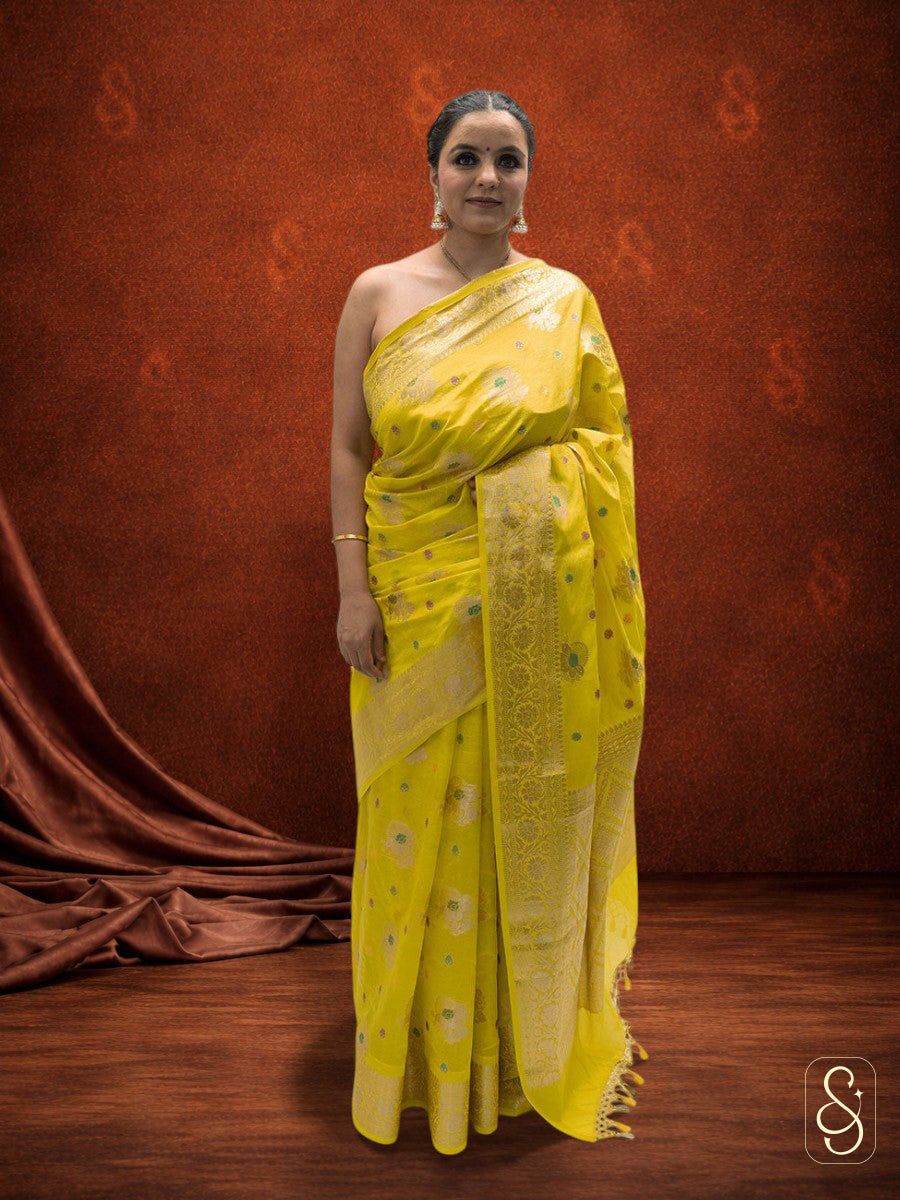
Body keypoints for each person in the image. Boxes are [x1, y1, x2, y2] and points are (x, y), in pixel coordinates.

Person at [330, 89, 648, 1156]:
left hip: (535, 604)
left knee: (517, 814)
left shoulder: (564, 302)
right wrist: (353, 588)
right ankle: (416, 1063)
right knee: (411, 822)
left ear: (527, 181)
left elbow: (606, 448)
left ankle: (516, 1056)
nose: (486, 179)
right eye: (466, 157)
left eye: (508, 161)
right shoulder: (379, 292)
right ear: (432, 174)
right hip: (413, 596)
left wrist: (532, 509)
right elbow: (348, 449)